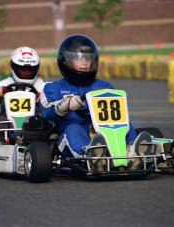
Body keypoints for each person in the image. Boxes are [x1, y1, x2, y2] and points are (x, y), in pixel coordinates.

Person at [39, 34, 142, 171]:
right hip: (67, 138)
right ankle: (91, 155)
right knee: (73, 128)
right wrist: (67, 105)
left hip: (101, 133)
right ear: (66, 60)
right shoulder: (52, 88)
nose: (84, 63)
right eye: (78, 58)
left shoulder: (104, 86)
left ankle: (133, 150)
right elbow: (48, 111)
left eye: (88, 58)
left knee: (124, 124)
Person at [0, 46, 46, 128]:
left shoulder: (42, 86)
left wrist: (39, 98)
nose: (27, 73)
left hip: (34, 124)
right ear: (14, 67)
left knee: (45, 118)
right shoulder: (5, 83)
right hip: (7, 123)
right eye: (23, 69)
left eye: (30, 69)